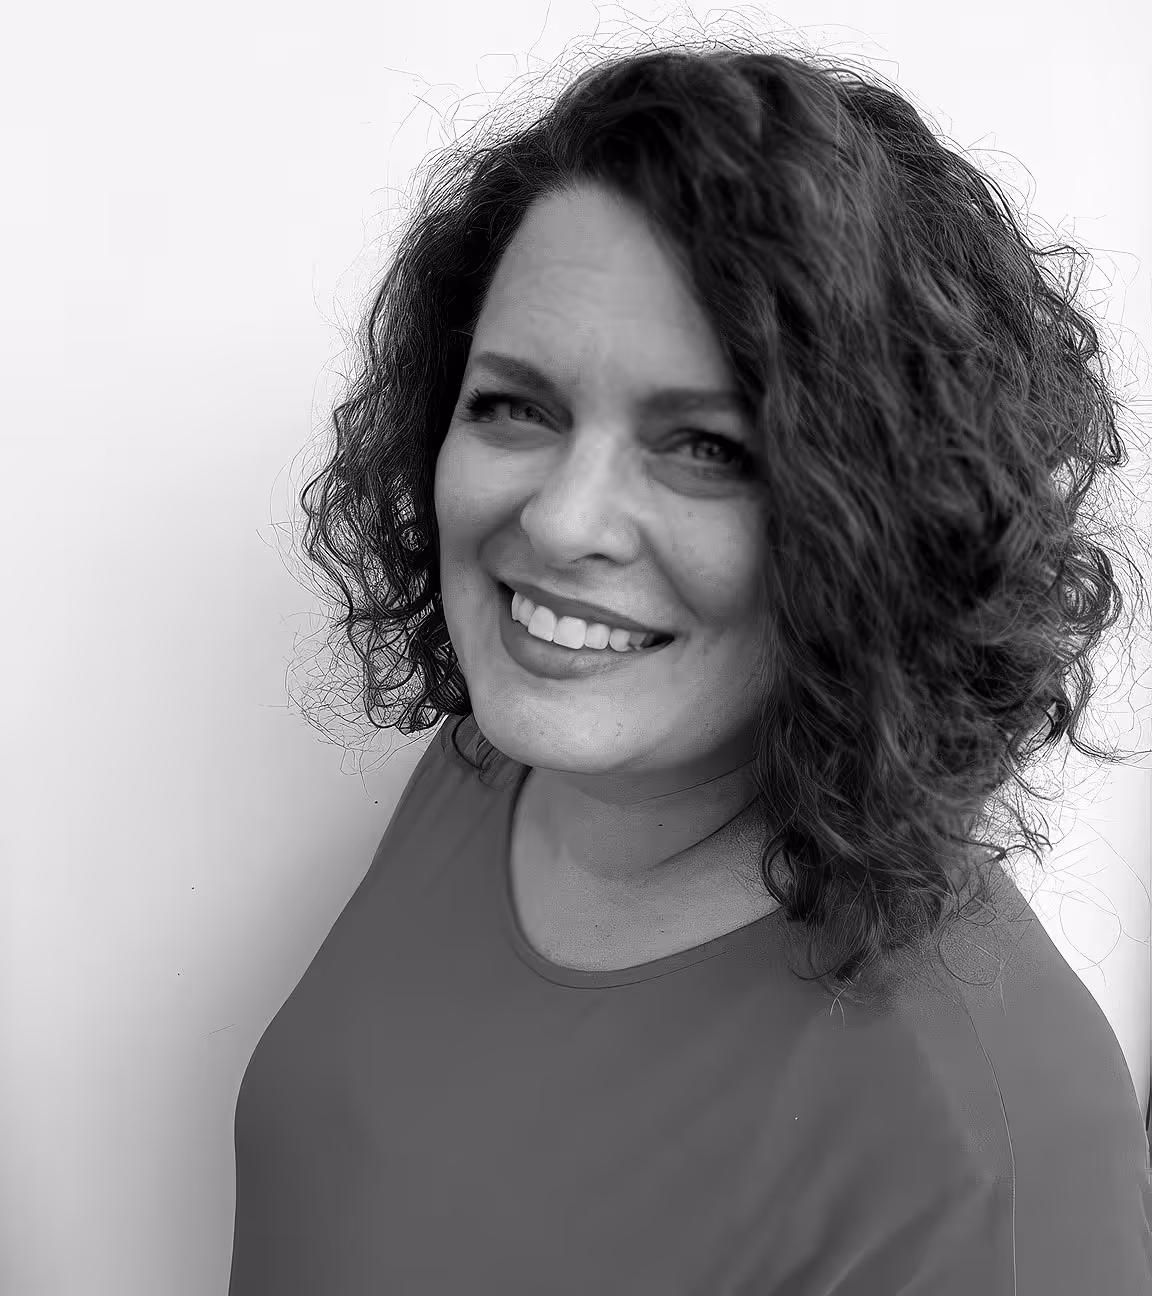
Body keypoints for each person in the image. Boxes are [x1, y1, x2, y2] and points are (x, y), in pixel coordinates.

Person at [227, 28, 1152, 1295]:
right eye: (516, 406)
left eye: (707, 447)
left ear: (890, 524)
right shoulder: (496, 760)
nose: (561, 521)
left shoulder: (985, 1149)